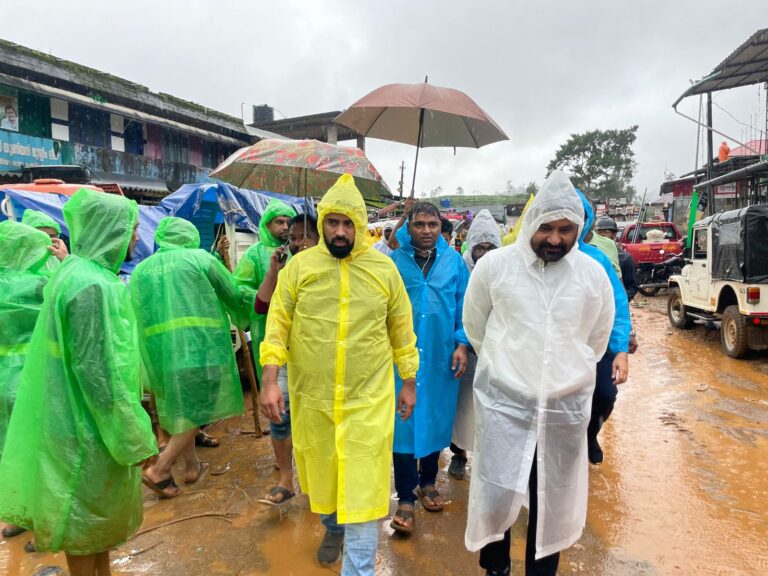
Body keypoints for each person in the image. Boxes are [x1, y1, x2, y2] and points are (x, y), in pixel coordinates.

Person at [259, 174, 418, 575]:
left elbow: (402, 329)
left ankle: (359, 567)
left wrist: (409, 381)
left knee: (363, 484)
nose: (341, 232)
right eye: (333, 222)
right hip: (314, 399)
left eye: (349, 224)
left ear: (361, 225)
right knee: (326, 475)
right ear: (323, 221)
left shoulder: (384, 270)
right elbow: (277, 322)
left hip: (368, 399)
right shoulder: (300, 269)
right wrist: (268, 380)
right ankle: (333, 526)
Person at [462, 171, 615, 576]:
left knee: (551, 498)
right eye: (546, 227)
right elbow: (475, 327)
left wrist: (561, 377)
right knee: (497, 492)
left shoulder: (591, 275)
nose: (555, 239)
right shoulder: (494, 267)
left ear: (578, 229)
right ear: (531, 222)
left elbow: (597, 340)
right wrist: (510, 369)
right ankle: (496, 567)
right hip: (504, 408)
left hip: (563, 411)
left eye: (566, 229)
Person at [0, 189, 158, 576]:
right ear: (110, 231)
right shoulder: (92, 286)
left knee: (90, 528)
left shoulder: (71, 272)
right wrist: (136, 436)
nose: (136, 238)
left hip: (68, 419)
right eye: (132, 229)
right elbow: (98, 376)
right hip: (88, 430)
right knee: (84, 522)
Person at [131, 217, 250, 498]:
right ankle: (161, 468)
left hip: (160, 354)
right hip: (200, 348)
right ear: (189, 234)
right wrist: (250, 308)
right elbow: (232, 293)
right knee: (199, 410)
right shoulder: (200, 259)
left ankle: (191, 467)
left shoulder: (141, 270)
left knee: (183, 409)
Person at [389, 201, 469, 534]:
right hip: (400, 361)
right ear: (408, 227)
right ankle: (405, 496)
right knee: (403, 426)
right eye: (419, 224)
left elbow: (465, 304)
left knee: (435, 417)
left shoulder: (455, 263)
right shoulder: (393, 263)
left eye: (432, 225)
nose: (426, 231)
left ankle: (428, 483)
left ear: (441, 228)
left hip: (440, 356)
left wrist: (463, 343)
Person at [256, 213, 320, 505]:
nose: (297, 243)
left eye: (304, 236)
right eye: (292, 238)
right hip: (285, 357)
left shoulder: (333, 268)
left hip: (319, 360)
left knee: (317, 422)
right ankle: (285, 479)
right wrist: (274, 271)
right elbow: (261, 306)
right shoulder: (285, 268)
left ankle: (318, 483)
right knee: (280, 418)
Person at [0, 221, 52, 540]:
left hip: (2, 378)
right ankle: (43, 523)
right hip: (33, 375)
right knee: (42, 447)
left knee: (9, 448)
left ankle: (17, 514)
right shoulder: (41, 284)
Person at [577, 202, 633, 465]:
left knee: (604, 395)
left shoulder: (597, 260)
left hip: (597, 346)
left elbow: (617, 305)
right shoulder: (535, 258)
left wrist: (621, 348)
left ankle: (590, 433)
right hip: (558, 348)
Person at [449, 209, 501, 481]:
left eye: (490, 247)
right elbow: (457, 307)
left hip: (494, 351)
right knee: (463, 406)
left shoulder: (505, 270)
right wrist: (462, 341)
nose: (484, 252)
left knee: (491, 409)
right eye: (479, 247)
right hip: (466, 350)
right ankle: (458, 453)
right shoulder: (459, 268)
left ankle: (489, 461)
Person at [233, 198, 296, 381]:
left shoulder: (301, 251)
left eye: (289, 222)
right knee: (273, 379)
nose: (285, 226)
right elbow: (240, 288)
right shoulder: (254, 253)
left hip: (299, 327)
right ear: (267, 225)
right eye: (279, 221)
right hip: (266, 326)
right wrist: (267, 298)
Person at [594, 216, 638, 301]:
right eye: (599, 232)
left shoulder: (625, 258)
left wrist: (619, 300)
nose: (602, 235)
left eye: (606, 232)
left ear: (614, 235)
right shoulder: (591, 255)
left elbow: (632, 288)